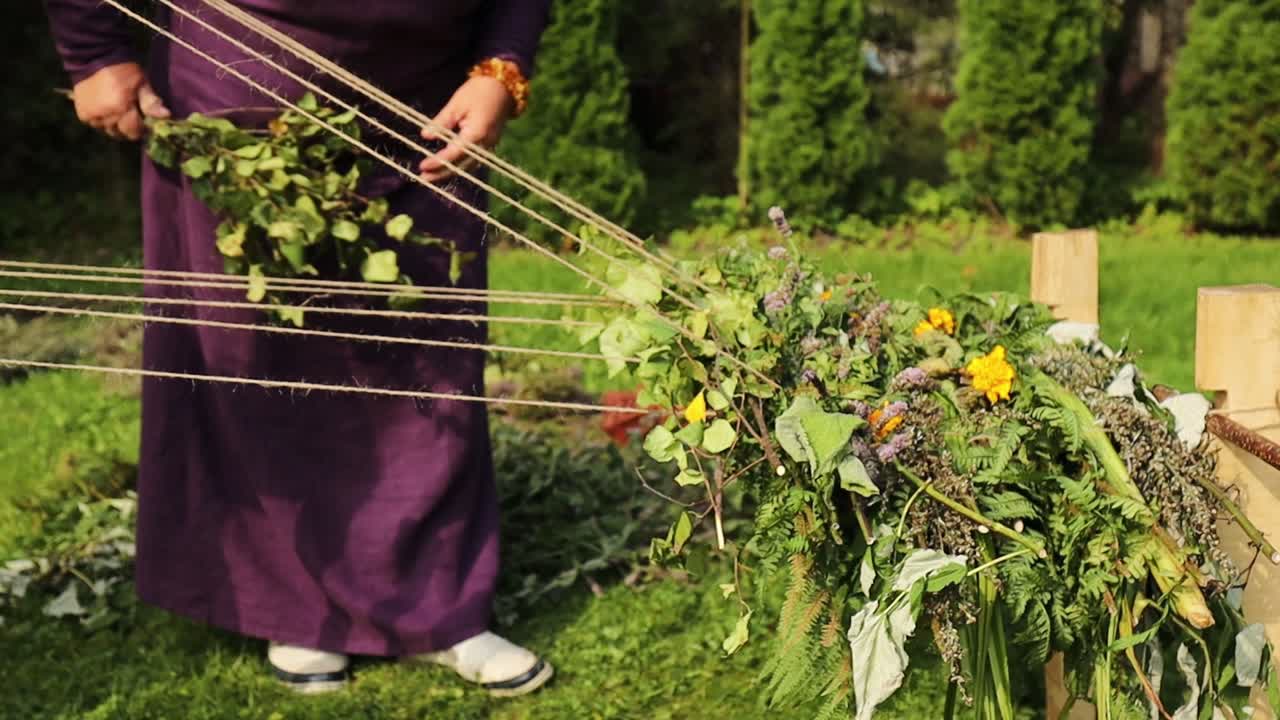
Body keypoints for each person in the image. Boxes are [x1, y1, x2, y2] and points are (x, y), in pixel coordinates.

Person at [43, 0, 554, 696]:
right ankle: (296, 607)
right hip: (236, 93)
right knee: (263, 361)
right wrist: (94, 52)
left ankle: (437, 608)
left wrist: (504, 62)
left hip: (423, 101)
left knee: (424, 359)